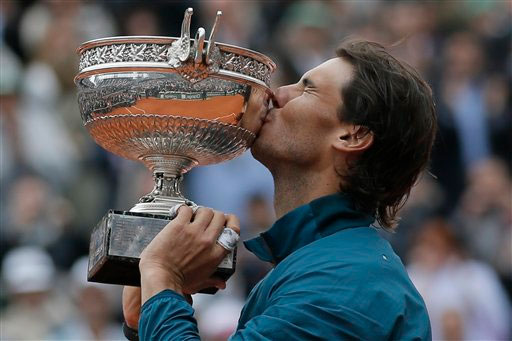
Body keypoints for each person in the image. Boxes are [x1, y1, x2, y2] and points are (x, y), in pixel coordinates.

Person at [122, 40, 437, 340]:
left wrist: (164, 279)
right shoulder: (322, 266)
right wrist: (146, 320)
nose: (276, 94)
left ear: (352, 136)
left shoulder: (343, 283)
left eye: (306, 89)